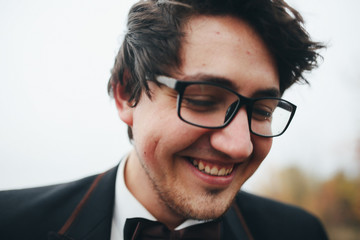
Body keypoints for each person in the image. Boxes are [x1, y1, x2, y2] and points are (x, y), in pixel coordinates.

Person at [0, 0, 328, 239]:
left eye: (262, 111)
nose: (239, 146)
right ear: (127, 92)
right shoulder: (10, 223)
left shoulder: (301, 232)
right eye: (204, 100)